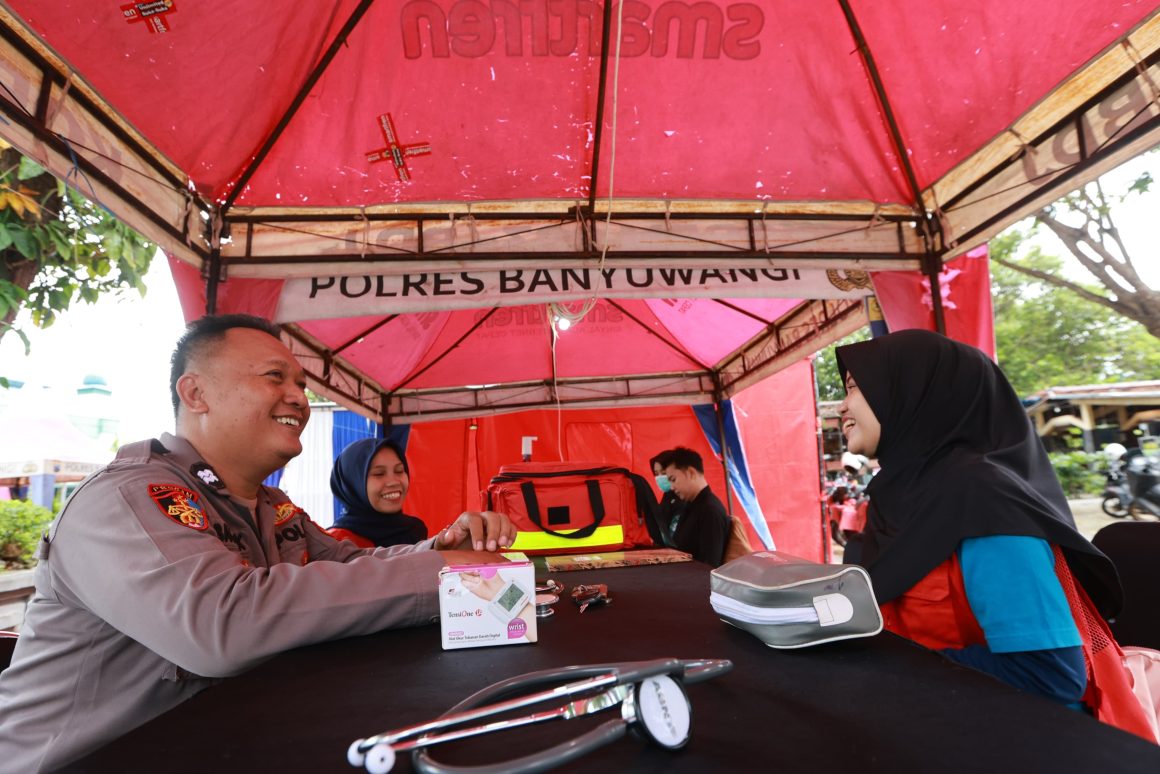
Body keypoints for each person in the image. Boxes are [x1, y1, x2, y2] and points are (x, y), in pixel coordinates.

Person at [0, 314, 515, 772]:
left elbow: (352, 563)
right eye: (275, 377)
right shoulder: (129, 496)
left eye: (300, 382)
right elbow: (220, 623)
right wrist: (446, 571)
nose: (298, 397)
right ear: (196, 394)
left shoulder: (271, 508)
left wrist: (438, 547)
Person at [835, 329, 1154, 740]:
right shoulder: (900, 496)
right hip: (935, 721)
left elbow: (1049, 676)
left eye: (857, 388)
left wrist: (885, 668)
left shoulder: (980, 499)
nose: (842, 407)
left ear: (916, 394)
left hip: (1023, 742)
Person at [328, 438, 429, 548]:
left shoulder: (414, 530)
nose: (393, 482)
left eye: (399, 470)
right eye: (379, 474)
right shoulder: (337, 543)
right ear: (353, 484)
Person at [662, 447, 731, 567]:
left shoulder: (710, 511)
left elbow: (708, 567)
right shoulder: (690, 505)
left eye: (673, 480)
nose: (671, 487)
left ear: (691, 473)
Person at [650, 449, 686, 547]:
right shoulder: (668, 495)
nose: (660, 478)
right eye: (656, 474)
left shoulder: (683, 497)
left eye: (664, 472)